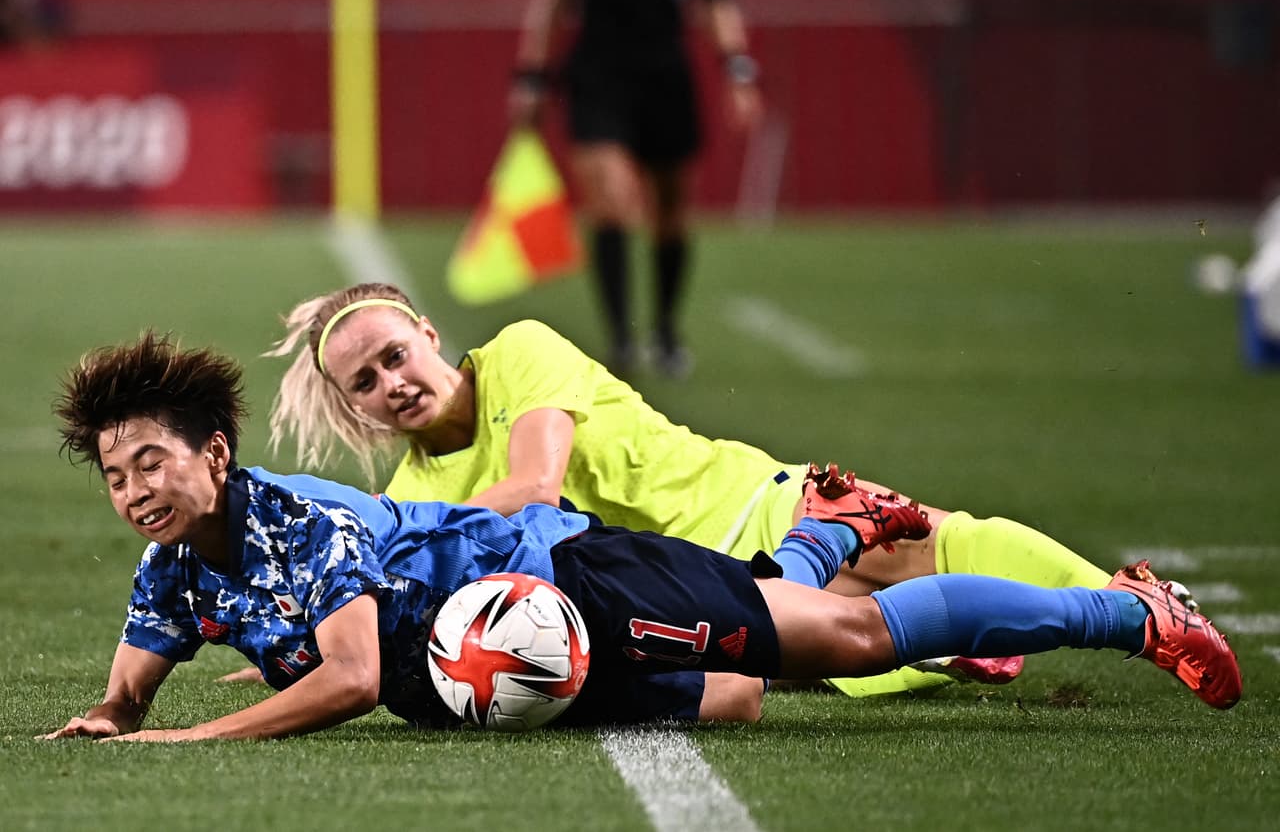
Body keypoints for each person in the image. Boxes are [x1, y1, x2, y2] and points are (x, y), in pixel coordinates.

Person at [43, 334, 1240, 741]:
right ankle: (825, 528)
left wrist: (194, 735)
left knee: (850, 638)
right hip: (496, 667)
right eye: (115, 473)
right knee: (728, 700)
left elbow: (350, 676)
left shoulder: (291, 517)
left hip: (568, 580)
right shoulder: (171, 567)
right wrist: (117, 714)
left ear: (213, 454)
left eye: (152, 458)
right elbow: (133, 684)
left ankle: (1131, 611)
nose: (135, 487)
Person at [265, 282, 1200, 698]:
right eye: (367, 381)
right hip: (696, 600)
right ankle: (962, 645)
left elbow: (538, 486)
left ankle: (1128, 600)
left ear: (428, 334)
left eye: (396, 354)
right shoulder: (417, 482)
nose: (393, 380)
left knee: (937, 544)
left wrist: (404, 533)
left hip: (752, 505)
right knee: (874, 652)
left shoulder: (517, 353)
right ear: (360, 408)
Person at [509, 0, 763, 376]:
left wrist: (738, 69)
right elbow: (552, 0)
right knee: (610, 201)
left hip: (666, 82)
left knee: (671, 213)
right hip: (598, 79)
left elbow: (717, 2)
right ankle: (621, 340)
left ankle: (664, 331)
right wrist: (532, 76)